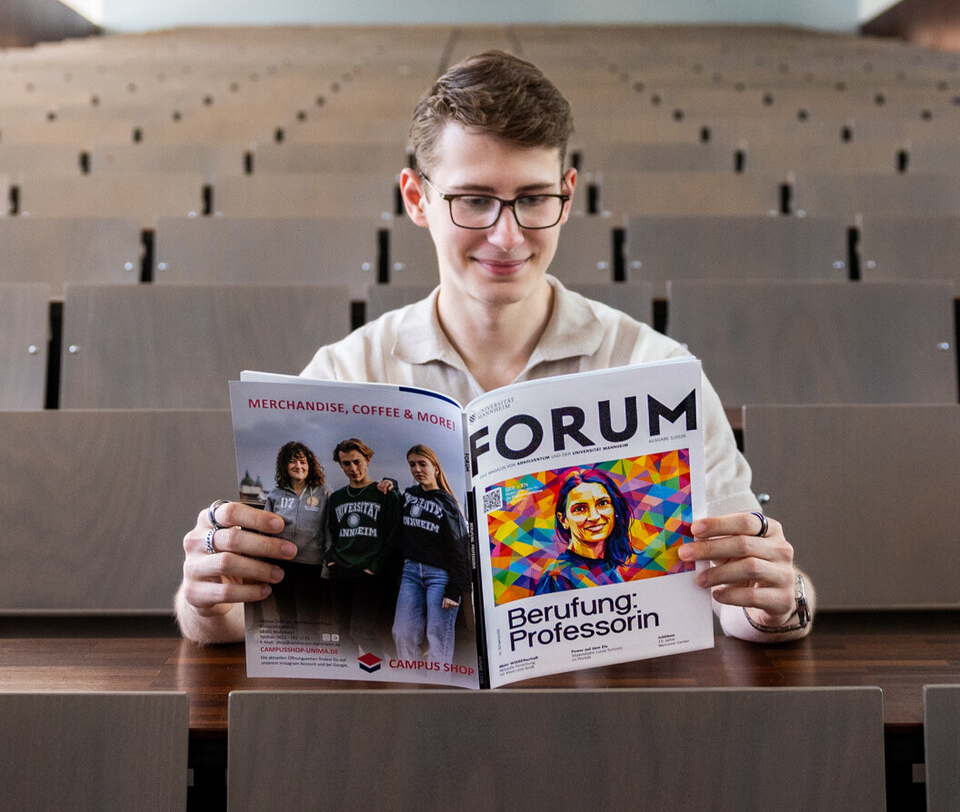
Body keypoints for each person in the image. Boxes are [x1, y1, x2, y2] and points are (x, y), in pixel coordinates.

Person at [177, 49, 814, 647]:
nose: (506, 237)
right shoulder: (343, 372)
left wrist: (778, 603)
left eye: (532, 199)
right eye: (474, 201)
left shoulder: (658, 370)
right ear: (417, 198)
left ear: (567, 195)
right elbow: (241, 611)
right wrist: (205, 599)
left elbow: (743, 601)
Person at [391, 445, 471, 666]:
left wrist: (454, 590)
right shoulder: (409, 495)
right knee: (402, 633)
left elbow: (458, 548)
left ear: (435, 468)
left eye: (422, 464)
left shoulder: (447, 503)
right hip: (410, 573)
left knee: (438, 637)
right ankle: (414, 681)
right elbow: (395, 501)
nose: (417, 469)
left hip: (440, 576)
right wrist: (390, 482)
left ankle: (438, 683)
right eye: (412, 465)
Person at [325, 437, 401, 657]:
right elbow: (333, 533)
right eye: (346, 463)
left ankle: (379, 669)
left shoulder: (385, 494)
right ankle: (350, 673)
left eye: (357, 461)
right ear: (340, 465)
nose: (353, 468)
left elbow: (395, 535)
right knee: (343, 632)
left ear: (368, 460)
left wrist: (375, 567)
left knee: (362, 631)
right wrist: (331, 560)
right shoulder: (337, 498)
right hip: (341, 571)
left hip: (370, 573)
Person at [533, 468, 642, 597]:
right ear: (563, 520)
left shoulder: (609, 566)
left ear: (614, 509)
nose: (594, 517)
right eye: (580, 509)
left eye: (602, 503)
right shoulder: (557, 577)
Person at [257, 441, 330, 623]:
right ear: (284, 465)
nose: (298, 466)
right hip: (281, 564)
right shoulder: (275, 494)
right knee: (285, 617)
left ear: (310, 465)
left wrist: (326, 565)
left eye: (303, 462)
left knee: (309, 620)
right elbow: (265, 530)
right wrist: (264, 562)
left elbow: (330, 531)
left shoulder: (324, 493)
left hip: (312, 566)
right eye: (293, 461)